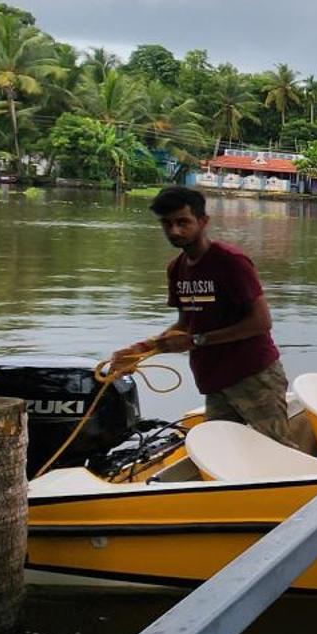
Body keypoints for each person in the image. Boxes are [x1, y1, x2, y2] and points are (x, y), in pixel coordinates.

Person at [114, 186, 290, 444]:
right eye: (167, 224)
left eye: (183, 222)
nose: (175, 231)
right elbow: (186, 324)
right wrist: (141, 350)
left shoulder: (230, 261)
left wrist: (196, 341)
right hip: (214, 378)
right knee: (221, 449)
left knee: (278, 448)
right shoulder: (177, 268)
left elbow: (261, 322)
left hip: (254, 375)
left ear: (203, 221)